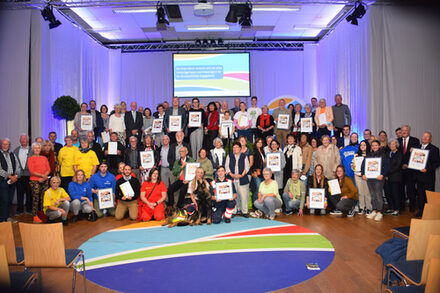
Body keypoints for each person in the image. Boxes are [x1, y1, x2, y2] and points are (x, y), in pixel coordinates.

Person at [362, 140, 389, 221]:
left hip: (378, 178)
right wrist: (363, 174)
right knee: (372, 195)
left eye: (376, 145)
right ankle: (374, 210)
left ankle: (380, 212)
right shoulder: (368, 156)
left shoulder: (383, 155)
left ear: (379, 146)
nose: (374, 147)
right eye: (373, 145)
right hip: (369, 178)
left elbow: (387, 167)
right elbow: (363, 166)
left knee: (378, 194)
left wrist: (382, 175)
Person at [414, 132, 440, 217]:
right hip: (419, 176)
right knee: (420, 195)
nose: (424, 138)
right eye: (423, 136)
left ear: (430, 139)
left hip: (428, 177)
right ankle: (421, 211)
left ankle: (430, 213)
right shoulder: (417, 148)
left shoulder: (434, 149)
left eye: (427, 137)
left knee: (428, 196)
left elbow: (437, 163)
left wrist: (427, 169)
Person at [397, 125, 420, 212]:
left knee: (411, 189)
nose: (404, 132)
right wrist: (402, 165)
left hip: (411, 170)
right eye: (403, 130)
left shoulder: (415, 141)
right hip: (400, 170)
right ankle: (402, 207)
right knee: (400, 189)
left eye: (406, 130)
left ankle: (412, 207)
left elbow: (417, 155)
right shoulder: (397, 141)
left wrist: (408, 164)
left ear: (409, 131)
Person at [27, 142, 50, 223]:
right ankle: (34, 215)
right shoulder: (30, 159)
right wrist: (42, 176)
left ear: (40, 149)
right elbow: (32, 171)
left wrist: (43, 177)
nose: (37, 149)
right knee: (36, 198)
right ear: (33, 149)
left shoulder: (44, 158)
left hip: (44, 180)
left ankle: (42, 213)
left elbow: (48, 169)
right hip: (34, 180)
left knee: (44, 197)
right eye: (35, 148)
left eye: (38, 148)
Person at [225, 142, 250, 217]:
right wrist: (231, 174)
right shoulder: (229, 156)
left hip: (242, 179)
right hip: (231, 179)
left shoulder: (244, 156)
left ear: (240, 148)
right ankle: (234, 211)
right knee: (233, 196)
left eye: (237, 147)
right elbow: (226, 166)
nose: (235, 149)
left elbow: (247, 167)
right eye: (234, 147)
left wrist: (242, 175)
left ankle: (245, 211)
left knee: (244, 196)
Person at [0, 138, 20, 222]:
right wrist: (9, 176)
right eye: (3, 144)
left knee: (9, 200)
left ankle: (7, 217)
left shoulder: (12, 154)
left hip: (13, 180)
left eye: (7, 144)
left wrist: (16, 176)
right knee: (4, 200)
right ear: (1, 145)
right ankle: (2, 219)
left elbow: (18, 166)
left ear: (9, 146)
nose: (5, 146)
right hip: (3, 180)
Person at [351, 140, 372, 215]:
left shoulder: (370, 155)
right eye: (361, 145)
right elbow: (352, 165)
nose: (362, 146)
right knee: (360, 192)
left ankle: (368, 208)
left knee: (367, 192)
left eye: (364, 145)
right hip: (358, 175)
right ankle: (362, 207)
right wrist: (353, 166)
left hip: (367, 176)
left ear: (367, 146)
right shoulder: (356, 155)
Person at [13, 134, 32, 215]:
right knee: (19, 193)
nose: (23, 140)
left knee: (29, 193)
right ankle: (19, 210)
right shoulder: (16, 150)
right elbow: (14, 162)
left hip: (29, 175)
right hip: (19, 175)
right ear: (20, 141)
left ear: (27, 140)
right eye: (22, 139)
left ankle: (29, 209)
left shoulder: (32, 149)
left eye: (25, 139)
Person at [383, 139, 403, 217]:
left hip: (395, 177)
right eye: (390, 144)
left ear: (396, 145)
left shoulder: (399, 154)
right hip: (387, 178)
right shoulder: (388, 153)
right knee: (388, 193)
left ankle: (397, 209)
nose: (392, 145)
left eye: (393, 144)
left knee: (396, 194)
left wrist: (386, 173)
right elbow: (384, 164)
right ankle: (391, 208)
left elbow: (397, 166)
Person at [250, 138, 265, 204]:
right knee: (258, 188)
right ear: (255, 143)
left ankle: (260, 203)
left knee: (262, 189)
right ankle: (255, 203)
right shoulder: (253, 151)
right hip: (256, 173)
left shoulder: (262, 151)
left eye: (261, 142)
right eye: (258, 142)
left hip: (262, 173)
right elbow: (252, 163)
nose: (260, 144)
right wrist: (254, 172)